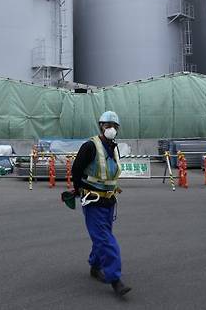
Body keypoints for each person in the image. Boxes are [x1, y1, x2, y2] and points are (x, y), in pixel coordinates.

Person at [70, 110, 132, 297]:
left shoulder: (114, 147)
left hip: (109, 201)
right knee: (106, 240)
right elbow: (76, 170)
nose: (111, 129)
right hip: (93, 201)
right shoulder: (90, 146)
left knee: (103, 237)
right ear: (100, 126)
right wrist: (79, 190)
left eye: (114, 126)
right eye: (107, 126)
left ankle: (95, 266)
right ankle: (115, 279)